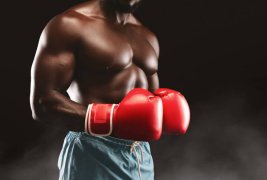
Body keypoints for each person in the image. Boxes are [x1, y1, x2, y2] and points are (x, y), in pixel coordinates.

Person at [29, 0, 190, 179]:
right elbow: (43, 102)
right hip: (92, 150)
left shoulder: (147, 36)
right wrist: (112, 118)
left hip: (140, 154)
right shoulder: (70, 25)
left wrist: (166, 109)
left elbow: (149, 102)